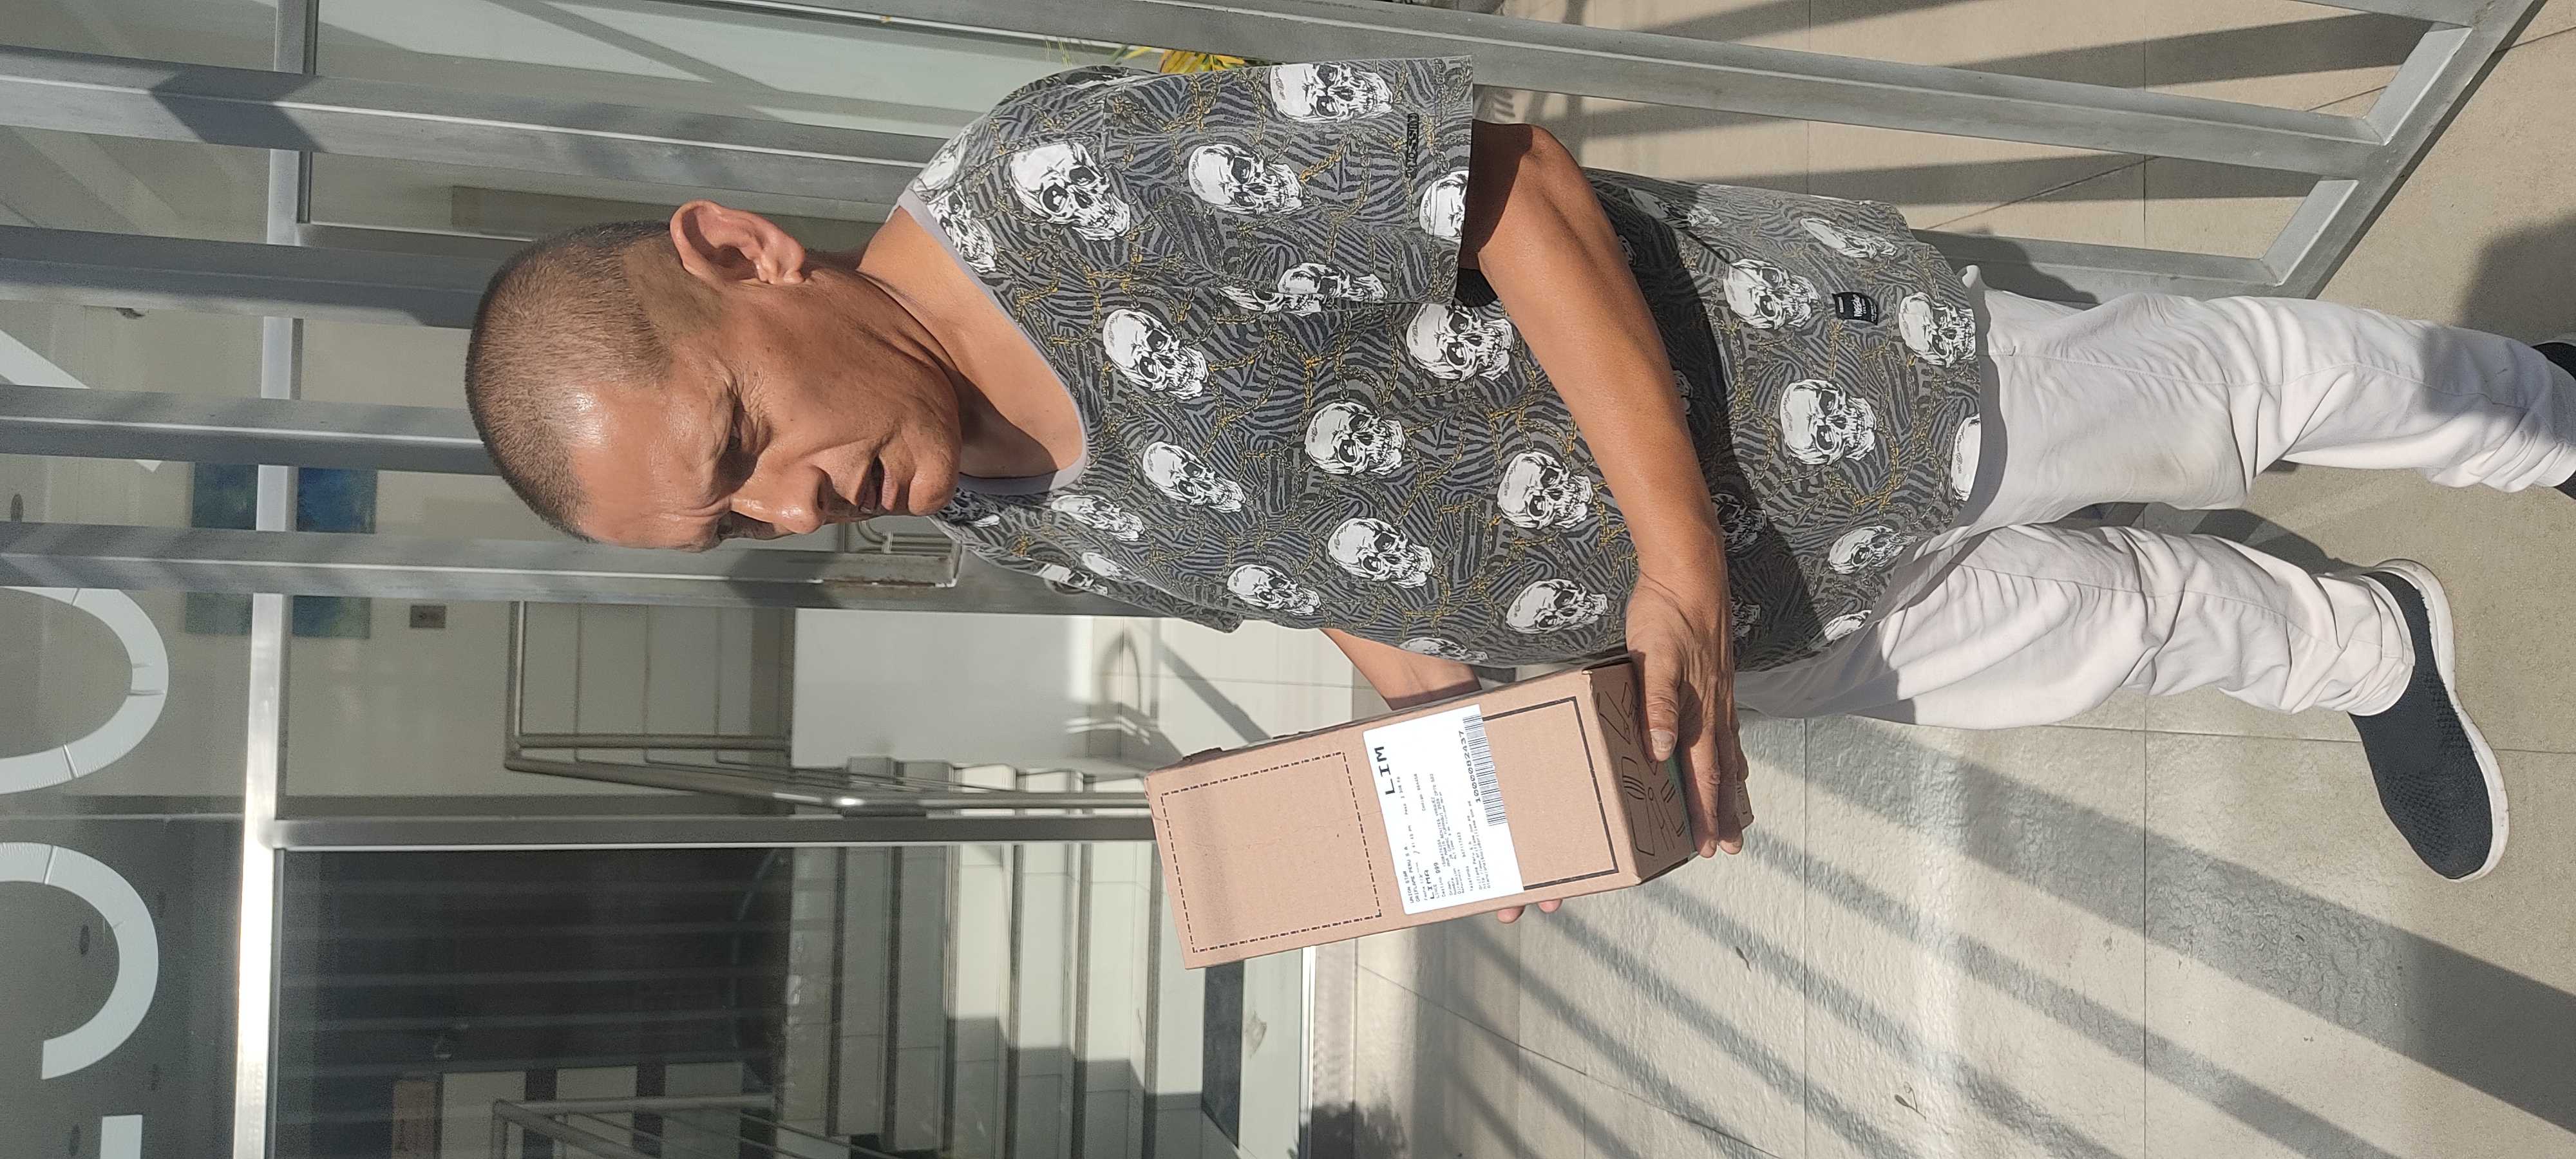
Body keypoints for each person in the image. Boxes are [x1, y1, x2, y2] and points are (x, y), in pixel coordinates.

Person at [463, 57, 2576, 890]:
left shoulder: (1062, 178)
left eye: (742, 447)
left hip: (1791, 398)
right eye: (733, 530)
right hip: (1696, 634)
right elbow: (1268, 549)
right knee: (2093, 633)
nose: (794, 513)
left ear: (740, 254)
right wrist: (1434, 713)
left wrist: (1669, 557)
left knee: (2214, 394)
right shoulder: (973, 491)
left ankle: (2537, 414)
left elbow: (1506, 181)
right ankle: (2363, 650)